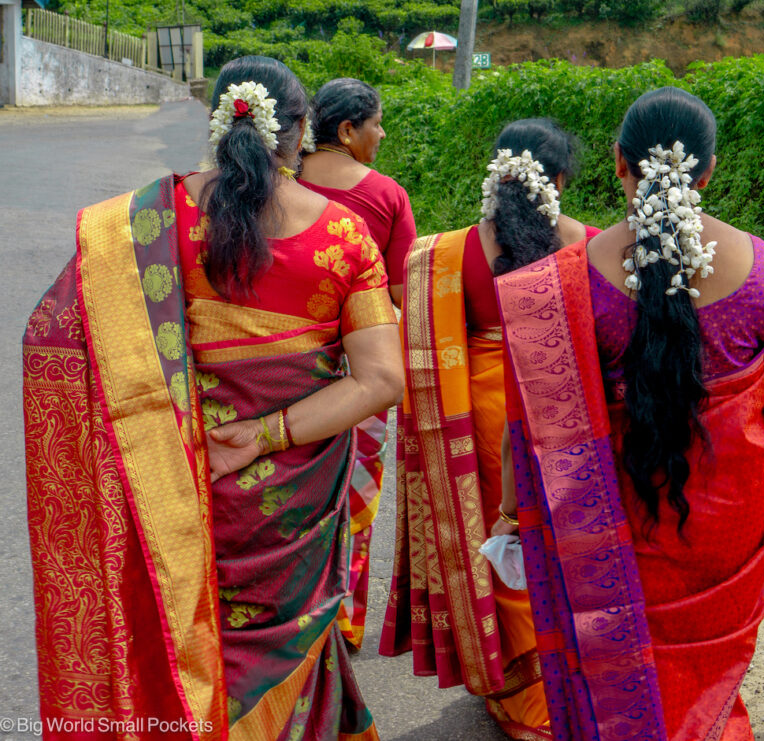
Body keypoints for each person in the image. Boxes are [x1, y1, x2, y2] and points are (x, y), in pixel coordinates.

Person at [23, 55, 403, 740]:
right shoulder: (343, 234)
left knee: (178, 636)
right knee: (291, 651)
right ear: (301, 130)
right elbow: (381, 379)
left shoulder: (138, 226)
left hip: (173, 484)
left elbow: (65, 346)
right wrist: (265, 436)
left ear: (215, 120)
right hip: (293, 504)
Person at [495, 88, 764, 740]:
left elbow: (526, 424)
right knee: (708, 676)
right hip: (728, 526)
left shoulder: (563, 280)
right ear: (709, 171)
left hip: (610, 522)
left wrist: (511, 513)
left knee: (615, 670)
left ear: (619, 161)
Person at [380, 118, 599, 739]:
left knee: (496, 539)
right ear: (559, 180)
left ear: (495, 174)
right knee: (563, 542)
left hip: (477, 408)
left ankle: (518, 690)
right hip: (564, 408)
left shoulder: (444, 254)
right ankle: (568, 687)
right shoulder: (590, 245)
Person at [298, 77, 417, 651]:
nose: (382, 132)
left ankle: (287, 609)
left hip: (289, 369)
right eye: (376, 122)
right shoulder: (387, 196)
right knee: (357, 495)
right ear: (347, 130)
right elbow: (400, 294)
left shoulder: (280, 181)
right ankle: (343, 619)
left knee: (291, 491)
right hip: (362, 376)